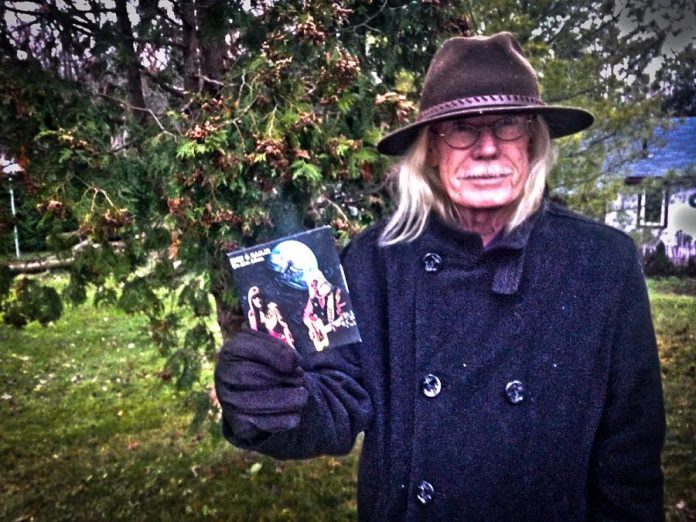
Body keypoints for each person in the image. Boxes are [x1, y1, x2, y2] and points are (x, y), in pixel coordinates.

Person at [215, 32, 665, 520]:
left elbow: (630, 460)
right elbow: (335, 402)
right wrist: (271, 399)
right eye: (461, 128)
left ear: (533, 139)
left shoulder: (601, 264)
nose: (487, 147)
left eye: (508, 124)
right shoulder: (377, 259)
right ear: (430, 149)